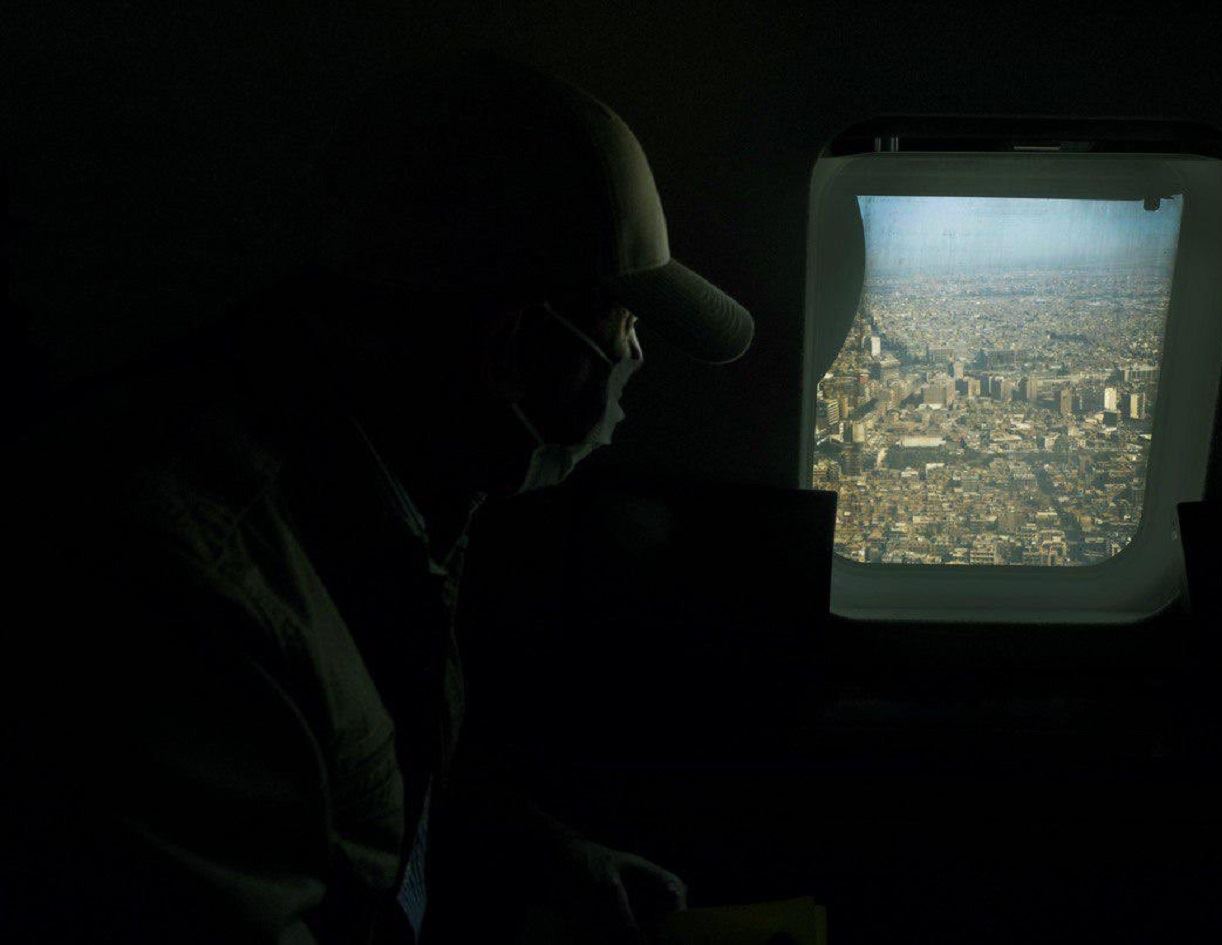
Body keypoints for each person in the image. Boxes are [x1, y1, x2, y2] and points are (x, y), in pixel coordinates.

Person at [2, 53, 752, 944]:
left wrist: (529, 851)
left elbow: (343, 785)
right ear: (516, 347)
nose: (633, 358)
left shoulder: (390, 477)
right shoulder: (186, 590)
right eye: (621, 324)